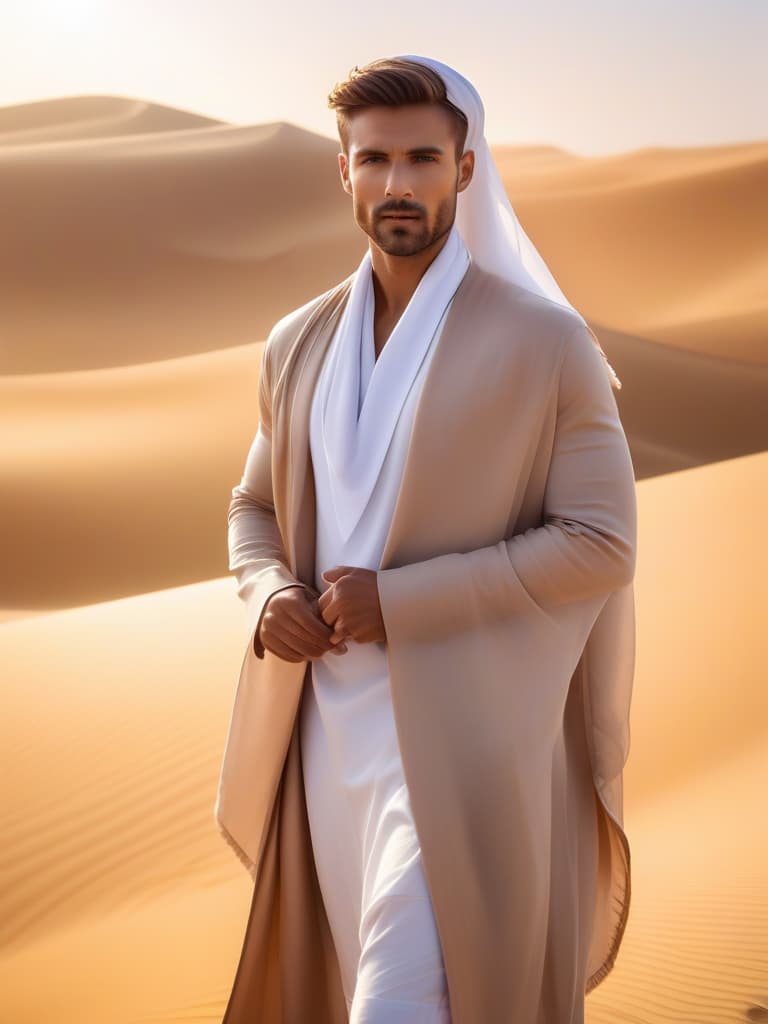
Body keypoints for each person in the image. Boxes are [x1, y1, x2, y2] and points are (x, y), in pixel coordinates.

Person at [216, 55, 637, 1024]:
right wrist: (269, 592)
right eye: (374, 160)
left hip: (468, 746)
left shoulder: (546, 343)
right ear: (343, 172)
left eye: (421, 158)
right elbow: (251, 511)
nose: (397, 184)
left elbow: (601, 540)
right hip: (327, 745)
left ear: (466, 168)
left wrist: (401, 599)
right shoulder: (298, 342)